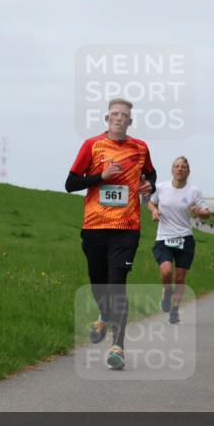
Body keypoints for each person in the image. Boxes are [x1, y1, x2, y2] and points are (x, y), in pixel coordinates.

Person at [65, 98, 156, 371]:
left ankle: (118, 347)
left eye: (124, 115)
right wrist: (101, 177)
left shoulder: (140, 148)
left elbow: (151, 174)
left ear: (130, 121)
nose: (119, 118)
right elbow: (71, 184)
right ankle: (105, 315)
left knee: (117, 285)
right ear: (107, 119)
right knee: (98, 284)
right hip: (95, 227)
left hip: (127, 228)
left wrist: (148, 186)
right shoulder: (91, 145)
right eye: (114, 114)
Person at [148, 156, 210, 324]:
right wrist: (154, 211)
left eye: (183, 167)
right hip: (164, 237)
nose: (180, 169)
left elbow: (207, 212)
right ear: (172, 170)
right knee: (166, 271)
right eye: (176, 166)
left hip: (185, 238)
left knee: (180, 278)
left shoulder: (194, 191)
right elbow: (151, 202)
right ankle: (167, 292)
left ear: (188, 171)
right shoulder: (161, 187)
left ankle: (174, 310)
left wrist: (200, 212)